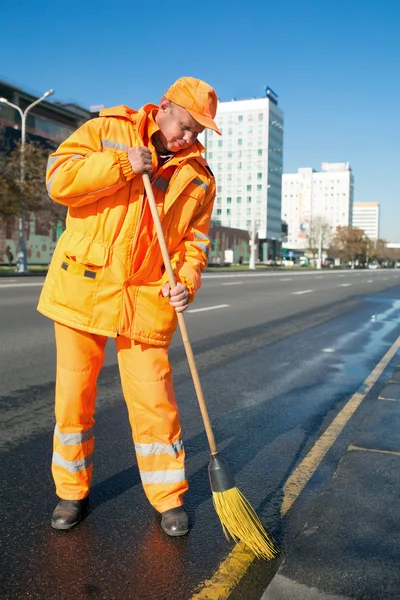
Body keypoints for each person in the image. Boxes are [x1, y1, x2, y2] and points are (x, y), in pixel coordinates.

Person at [37, 77, 220, 536]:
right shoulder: (106, 131)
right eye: (186, 126)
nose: (188, 138)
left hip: (146, 297)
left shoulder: (199, 176)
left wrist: (186, 280)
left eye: (198, 132)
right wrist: (121, 164)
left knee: (156, 401)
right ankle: (70, 492)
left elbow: (195, 243)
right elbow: (59, 181)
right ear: (164, 107)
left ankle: (168, 496)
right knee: (73, 400)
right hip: (85, 287)